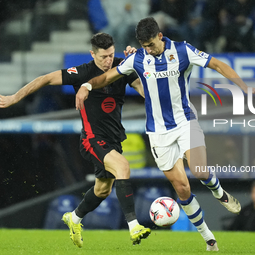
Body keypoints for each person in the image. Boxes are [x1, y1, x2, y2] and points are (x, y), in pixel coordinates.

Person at [75, 17, 255, 251]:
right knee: (182, 188)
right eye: (144, 46)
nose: (148, 50)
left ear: (160, 37)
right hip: (158, 132)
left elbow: (217, 64)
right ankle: (209, 239)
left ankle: (219, 192)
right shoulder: (139, 58)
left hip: (185, 121)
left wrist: (245, 87)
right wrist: (87, 86)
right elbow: (108, 76)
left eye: (151, 44)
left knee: (200, 171)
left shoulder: (183, 50)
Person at [0, 33, 151, 247]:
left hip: (114, 139)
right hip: (92, 138)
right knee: (123, 167)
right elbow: (45, 79)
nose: (108, 61)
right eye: (103, 57)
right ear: (92, 54)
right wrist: (15, 97)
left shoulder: (121, 66)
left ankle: (75, 217)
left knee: (102, 189)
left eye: (110, 55)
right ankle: (134, 226)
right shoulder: (82, 72)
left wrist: (140, 67)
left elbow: (143, 90)